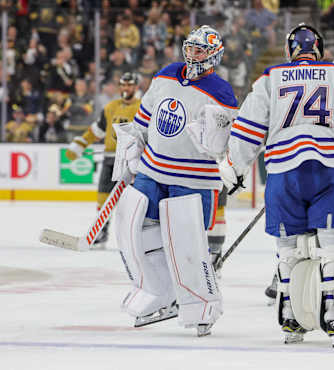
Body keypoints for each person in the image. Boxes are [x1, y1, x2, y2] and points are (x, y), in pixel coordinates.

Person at [219, 24, 334, 347]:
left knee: (288, 250)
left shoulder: (269, 78)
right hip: (327, 170)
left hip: (282, 173)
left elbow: (247, 128)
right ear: (319, 51)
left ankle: (290, 318)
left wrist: (235, 167)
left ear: (290, 52)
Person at [112, 25, 237, 337]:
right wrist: (131, 146)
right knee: (133, 225)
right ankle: (161, 291)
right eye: (191, 47)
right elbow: (145, 116)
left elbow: (226, 144)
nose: (194, 54)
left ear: (214, 55)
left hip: (193, 177)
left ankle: (202, 303)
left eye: (201, 49)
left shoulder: (222, 92)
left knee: (184, 241)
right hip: (153, 169)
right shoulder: (167, 73)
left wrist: (214, 138)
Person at [65, 72, 141, 248]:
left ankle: (135, 235)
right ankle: (101, 232)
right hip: (109, 159)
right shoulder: (110, 107)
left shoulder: (142, 107)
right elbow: (96, 131)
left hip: (132, 162)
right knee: (103, 197)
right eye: (123, 84)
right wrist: (80, 145)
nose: (126, 88)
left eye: (129, 85)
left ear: (136, 87)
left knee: (134, 200)